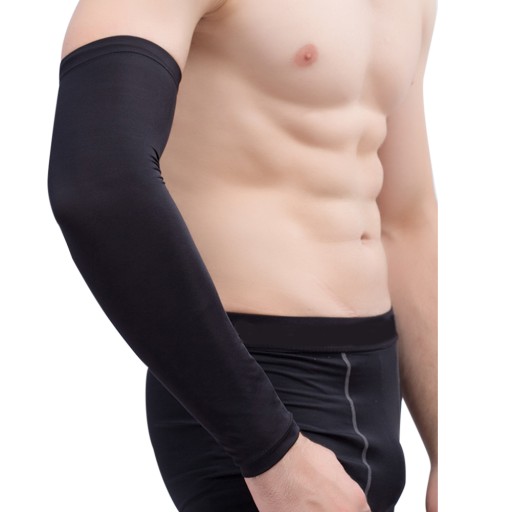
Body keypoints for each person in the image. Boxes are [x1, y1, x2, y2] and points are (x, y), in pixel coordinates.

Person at [47, 0, 437, 511]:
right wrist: (271, 452)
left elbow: (407, 219)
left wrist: (448, 446)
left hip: (379, 384)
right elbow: (99, 181)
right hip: (254, 387)